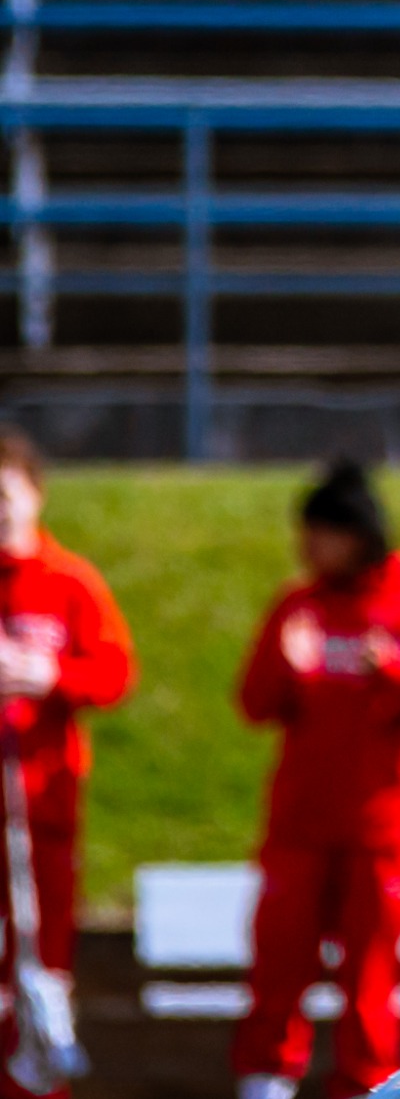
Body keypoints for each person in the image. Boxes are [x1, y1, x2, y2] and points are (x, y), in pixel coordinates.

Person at [231, 463, 400, 1099]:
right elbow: (253, 704)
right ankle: (267, 1084)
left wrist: (393, 673)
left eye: (319, 534)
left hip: (384, 834)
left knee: (370, 982)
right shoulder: (297, 606)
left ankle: (364, 1088)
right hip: (299, 827)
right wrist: (286, 665)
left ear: (357, 534)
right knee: (279, 971)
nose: (306, 549)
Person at [0, 427, 134, 1099]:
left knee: (42, 965)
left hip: (44, 809)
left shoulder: (69, 582)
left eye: (5, 494)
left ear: (34, 496)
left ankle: (38, 1085)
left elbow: (113, 671)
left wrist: (48, 675)